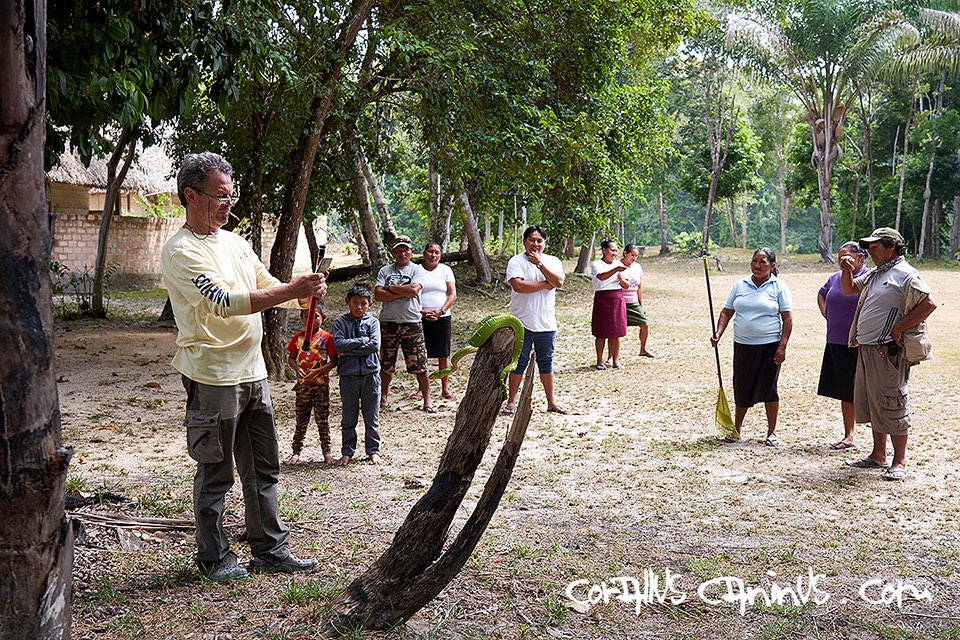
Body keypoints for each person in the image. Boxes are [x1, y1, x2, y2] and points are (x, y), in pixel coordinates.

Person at [161, 151, 323, 582]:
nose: (229, 203)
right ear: (190, 196)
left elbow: (264, 283)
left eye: (231, 195)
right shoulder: (180, 252)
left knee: (263, 467)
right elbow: (223, 303)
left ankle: (269, 549)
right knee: (216, 470)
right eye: (219, 196)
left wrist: (301, 295)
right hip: (213, 375)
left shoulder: (235, 242)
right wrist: (291, 290)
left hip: (253, 372)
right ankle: (213, 557)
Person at [840, 227, 937, 481]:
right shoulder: (877, 273)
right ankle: (878, 455)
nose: (870, 251)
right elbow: (849, 289)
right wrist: (846, 270)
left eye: (875, 246)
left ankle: (900, 460)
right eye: (869, 247)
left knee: (892, 402)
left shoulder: (906, 274)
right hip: (868, 348)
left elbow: (929, 303)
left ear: (891, 245)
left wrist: (900, 327)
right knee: (874, 402)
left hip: (887, 351)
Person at [710, 248, 793, 446]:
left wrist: (782, 347)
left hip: (770, 346)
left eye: (762, 262)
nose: (757, 265)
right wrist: (718, 333)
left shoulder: (779, 287)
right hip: (743, 345)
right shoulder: (740, 285)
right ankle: (736, 430)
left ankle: (771, 433)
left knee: (769, 388)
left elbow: (787, 319)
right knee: (742, 386)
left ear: (772, 266)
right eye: (754, 261)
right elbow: (726, 312)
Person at [504, 225, 568, 415]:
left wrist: (540, 264)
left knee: (546, 363)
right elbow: (519, 286)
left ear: (544, 243)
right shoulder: (516, 261)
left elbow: (558, 282)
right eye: (532, 239)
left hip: (546, 322)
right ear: (524, 241)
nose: (536, 244)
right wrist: (545, 284)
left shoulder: (552, 261)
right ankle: (511, 401)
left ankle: (551, 402)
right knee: (518, 363)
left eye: (540, 240)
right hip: (521, 323)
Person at [817, 241, 868, 450]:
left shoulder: (867, 278)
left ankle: (880, 440)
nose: (842, 260)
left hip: (859, 342)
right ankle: (849, 435)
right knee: (845, 390)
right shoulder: (835, 278)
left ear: (860, 258)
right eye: (839, 257)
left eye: (846, 256)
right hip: (836, 339)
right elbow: (822, 294)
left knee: (863, 390)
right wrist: (827, 314)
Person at [375, 236, 435, 413]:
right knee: (386, 363)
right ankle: (383, 397)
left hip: (411, 322)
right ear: (394, 252)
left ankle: (427, 400)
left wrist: (392, 288)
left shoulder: (417, 270)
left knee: (420, 364)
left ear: (411, 252)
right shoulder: (385, 271)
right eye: (398, 250)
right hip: (388, 323)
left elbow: (415, 290)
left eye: (405, 250)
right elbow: (378, 295)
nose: (402, 253)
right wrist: (404, 292)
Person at [332, 283, 383, 466]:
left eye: (363, 303)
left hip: (371, 375)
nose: (359, 307)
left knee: (372, 417)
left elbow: (375, 346)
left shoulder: (373, 322)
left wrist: (349, 348)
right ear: (348, 302)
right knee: (349, 416)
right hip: (348, 376)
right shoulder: (340, 322)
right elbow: (338, 345)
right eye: (355, 302)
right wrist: (362, 341)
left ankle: (373, 451)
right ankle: (347, 452)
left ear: (369, 305)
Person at [285, 305, 338, 465]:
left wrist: (318, 371)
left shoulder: (327, 338)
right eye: (306, 316)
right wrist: (297, 369)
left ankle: (327, 452)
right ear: (301, 318)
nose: (311, 320)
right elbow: (291, 358)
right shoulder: (298, 338)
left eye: (315, 316)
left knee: (323, 420)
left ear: (323, 318)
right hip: (302, 387)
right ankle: (296, 451)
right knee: (301, 419)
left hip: (321, 387)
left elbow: (334, 362)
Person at [417, 242, 458, 399]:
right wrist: (423, 312)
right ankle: (422, 389)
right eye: (430, 251)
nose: (433, 255)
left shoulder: (445, 270)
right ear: (424, 253)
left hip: (442, 316)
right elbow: (413, 295)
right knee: (422, 354)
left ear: (440, 255)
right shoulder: (417, 270)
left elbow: (452, 294)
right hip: (420, 316)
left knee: (443, 354)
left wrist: (441, 311)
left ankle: (445, 388)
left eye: (436, 252)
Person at [591, 239, 627, 369]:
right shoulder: (597, 264)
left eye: (616, 250)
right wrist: (616, 269)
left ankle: (615, 361)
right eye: (612, 250)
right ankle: (600, 360)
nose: (614, 253)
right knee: (601, 332)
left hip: (617, 297)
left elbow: (627, 285)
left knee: (616, 332)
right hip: (602, 298)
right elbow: (601, 277)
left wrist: (622, 280)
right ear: (604, 250)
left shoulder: (619, 264)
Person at [619, 244, 653, 358]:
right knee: (615, 330)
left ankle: (643, 349)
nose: (634, 258)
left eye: (636, 256)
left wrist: (641, 305)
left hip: (633, 301)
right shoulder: (617, 266)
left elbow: (639, 287)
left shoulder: (637, 267)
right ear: (625, 253)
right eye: (632, 255)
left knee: (644, 324)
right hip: (620, 301)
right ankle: (611, 356)